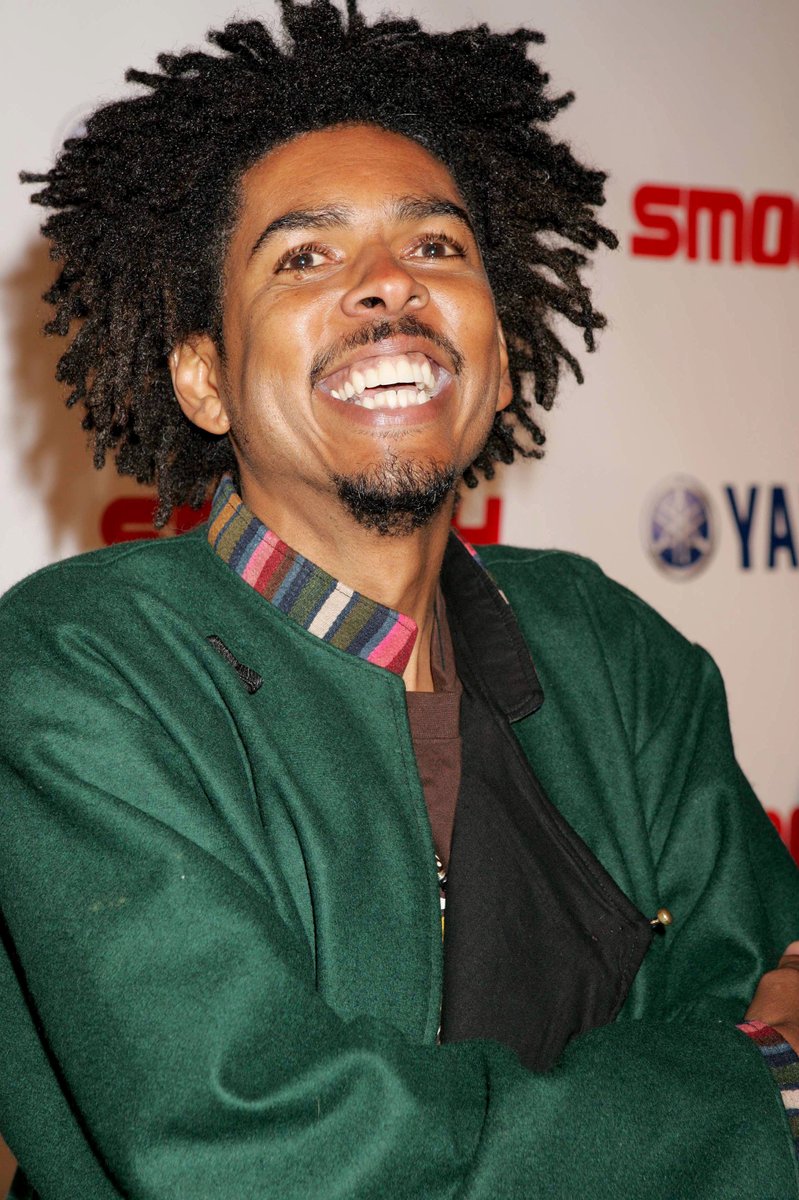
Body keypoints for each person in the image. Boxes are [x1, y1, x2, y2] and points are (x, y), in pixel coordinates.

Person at [2, 3, 799, 1197]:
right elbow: (265, 1150)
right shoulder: (80, 665)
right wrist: (739, 1097)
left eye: (436, 247)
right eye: (304, 258)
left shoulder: (614, 650)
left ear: (500, 354)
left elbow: (763, 988)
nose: (388, 288)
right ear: (205, 379)